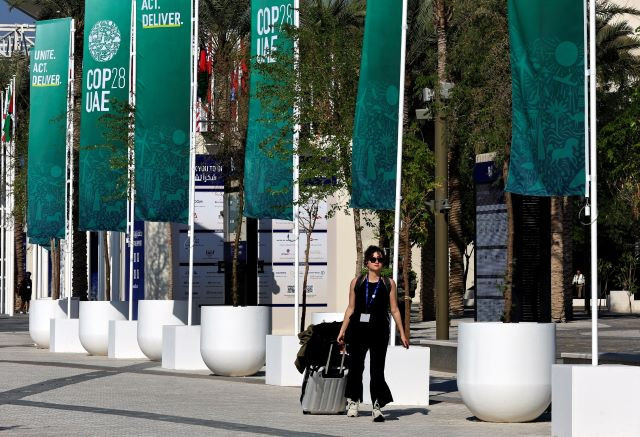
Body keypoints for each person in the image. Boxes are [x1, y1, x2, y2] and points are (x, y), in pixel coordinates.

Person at [337, 245, 409, 422]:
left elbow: (395, 310)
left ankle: (377, 406)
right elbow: (351, 308)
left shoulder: (388, 283)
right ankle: (353, 402)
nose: (377, 262)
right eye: (374, 259)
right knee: (355, 367)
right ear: (367, 262)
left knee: (377, 370)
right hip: (358, 330)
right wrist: (342, 330)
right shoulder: (357, 282)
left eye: (380, 259)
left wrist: (403, 333)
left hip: (379, 331)